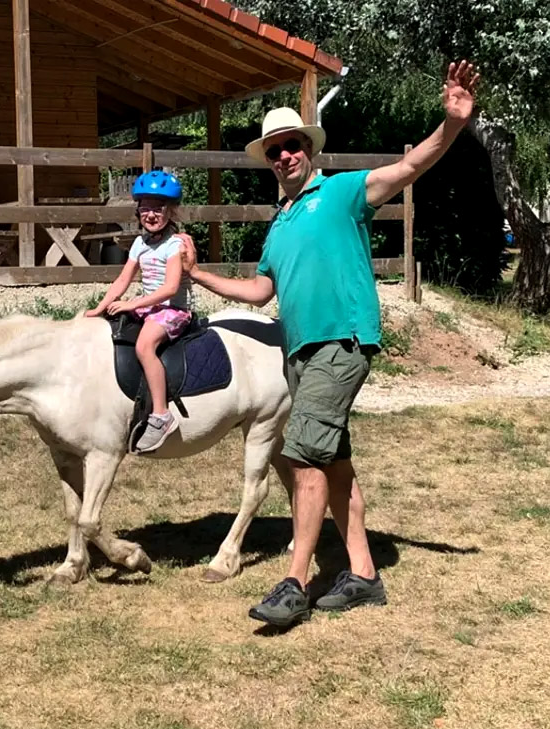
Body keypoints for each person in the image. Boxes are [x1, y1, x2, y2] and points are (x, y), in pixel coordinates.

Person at [182, 61, 480, 627]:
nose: (284, 155)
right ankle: (363, 574)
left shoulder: (342, 192)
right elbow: (260, 290)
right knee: (334, 463)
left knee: (301, 456)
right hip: (299, 353)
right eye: (275, 150)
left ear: (308, 149)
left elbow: (410, 166)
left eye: (292, 145)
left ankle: (295, 582)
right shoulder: (280, 223)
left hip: (341, 342)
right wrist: (198, 275)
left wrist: (453, 124)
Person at [86, 170, 195, 453]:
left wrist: (133, 304)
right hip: (148, 307)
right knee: (109, 329)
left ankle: (161, 415)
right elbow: (123, 280)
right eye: (145, 208)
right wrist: (99, 308)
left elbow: (170, 288)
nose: (151, 214)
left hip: (172, 310)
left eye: (158, 208)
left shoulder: (175, 245)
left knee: (145, 345)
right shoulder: (139, 243)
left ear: (171, 211)